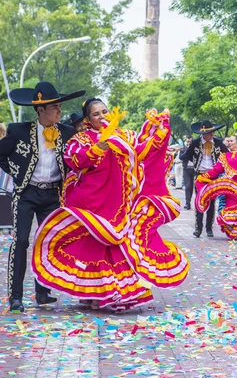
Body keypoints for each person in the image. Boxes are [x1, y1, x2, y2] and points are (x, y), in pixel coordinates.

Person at [31, 102, 189, 311]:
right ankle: (95, 294)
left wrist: (158, 136)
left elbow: (139, 153)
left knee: (117, 249)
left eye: (104, 111)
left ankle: (116, 294)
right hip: (94, 202)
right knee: (94, 249)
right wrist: (99, 147)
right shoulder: (82, 139)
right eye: (96, 114)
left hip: (119, 203)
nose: (102, 116)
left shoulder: (123, 136)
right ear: (88, 120)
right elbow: (75, 160)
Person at [0, 81, 84, 312]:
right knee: (21, 241)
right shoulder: (18, 131)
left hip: (52, 195)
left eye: (59, 106)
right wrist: (16, 174)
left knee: (47, 242)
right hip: (26, 194)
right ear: (41, 110)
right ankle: (15, 297)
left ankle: (42, 293)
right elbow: (1, 155)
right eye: (55, 106)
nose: (60, 110)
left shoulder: (68, 133)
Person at [180, 120, 228, 238]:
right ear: (203, 134)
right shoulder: (195, 143)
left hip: (213, 176)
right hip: (200, 176)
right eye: (209, 133)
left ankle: (209, 228)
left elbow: (227, 155)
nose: (212, 134)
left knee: (211, 202)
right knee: (199, 202)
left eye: (212, 132)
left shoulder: (218, 142)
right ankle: (198, 228)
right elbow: (185, 156)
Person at [180, 136, 194, 209]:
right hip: (186, 170)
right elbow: (180, 157)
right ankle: (187, 203)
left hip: (195, 170)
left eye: (190, 142)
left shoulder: (195, 149)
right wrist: (187, 151)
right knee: (188, 186)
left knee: (193, 187)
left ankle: (196, 202)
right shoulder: (183, 149)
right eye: (188, 141)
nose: (189, 143)